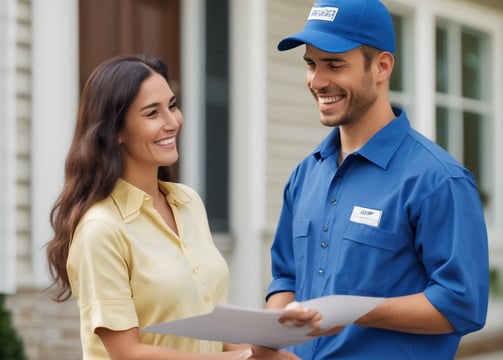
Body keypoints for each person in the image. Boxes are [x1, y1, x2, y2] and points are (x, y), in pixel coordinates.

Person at [265, 0, 490, 358]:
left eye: (334, 65)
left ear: (382, 66)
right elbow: (286, 278)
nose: (317, 81)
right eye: (311, 64)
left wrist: (354, 310)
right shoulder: (304, 175)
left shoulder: (438, 181)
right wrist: (271, 337)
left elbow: (461, 303)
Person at [46, 54, 299, 360]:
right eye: (152, 113)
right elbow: (127, 353)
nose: (173, 122)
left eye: (173, 105)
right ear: (117, 132)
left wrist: (263, 355)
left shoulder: (188, 203)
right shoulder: (101, 229)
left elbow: (213, 329)